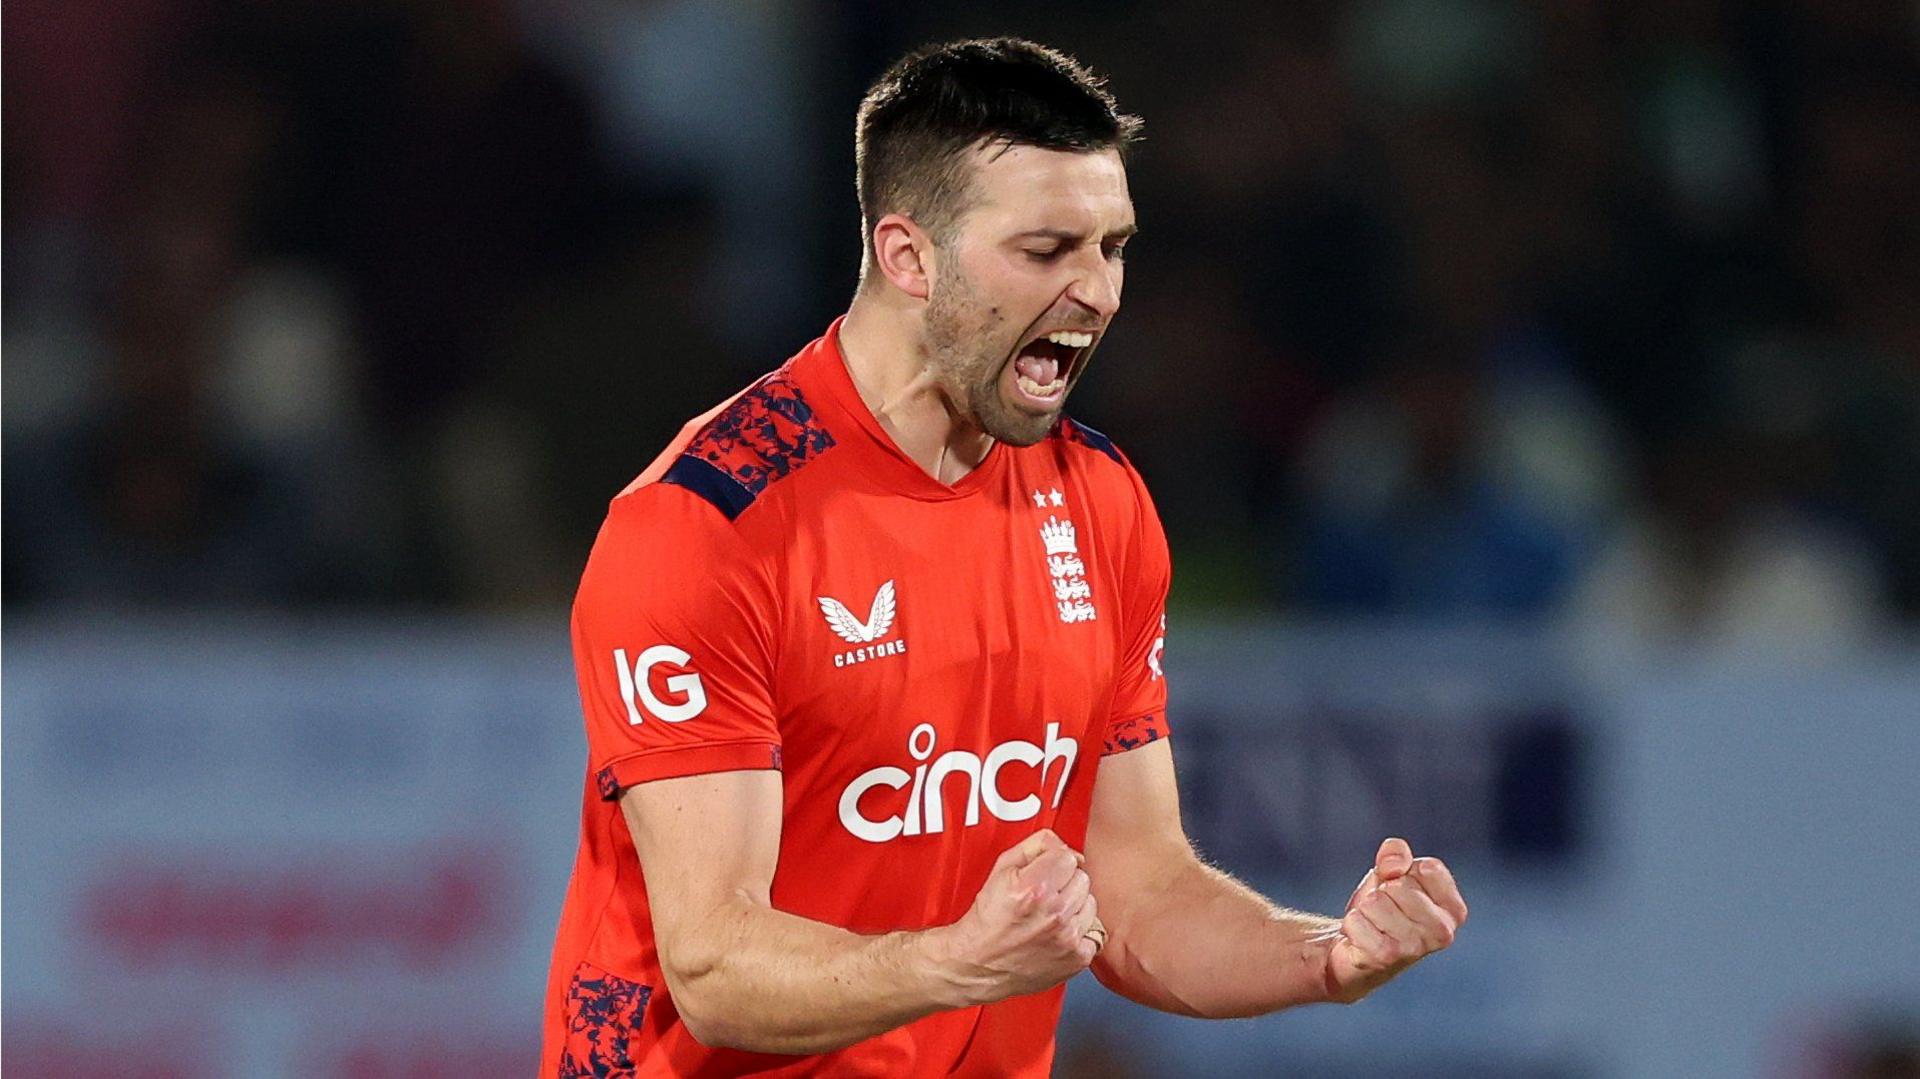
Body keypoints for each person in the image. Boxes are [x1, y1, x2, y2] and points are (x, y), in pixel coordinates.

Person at [541, 37, 1468, 1077]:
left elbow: (1139, 890)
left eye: (1112, 246)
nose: (1098, 292)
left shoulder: (1100, 503)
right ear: (907, 256)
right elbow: (713, 966)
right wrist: (960, 962)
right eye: (1046, 250)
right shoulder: (710, 526)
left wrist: (1325, 956)